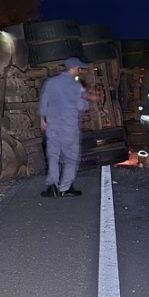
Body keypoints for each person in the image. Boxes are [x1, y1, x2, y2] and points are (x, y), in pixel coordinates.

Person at [39, 57, 96, 197]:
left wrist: (42, 119)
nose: (79, 71)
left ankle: (53, 186)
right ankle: (65, 187)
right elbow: (81, 106)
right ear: (73, 68)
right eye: (78, 69)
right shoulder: (76, 86)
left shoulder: (50, 82)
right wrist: (89, 101)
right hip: (69, 127)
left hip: (53, 125)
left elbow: (44, 102)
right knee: (70, 158)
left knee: (53, 156)